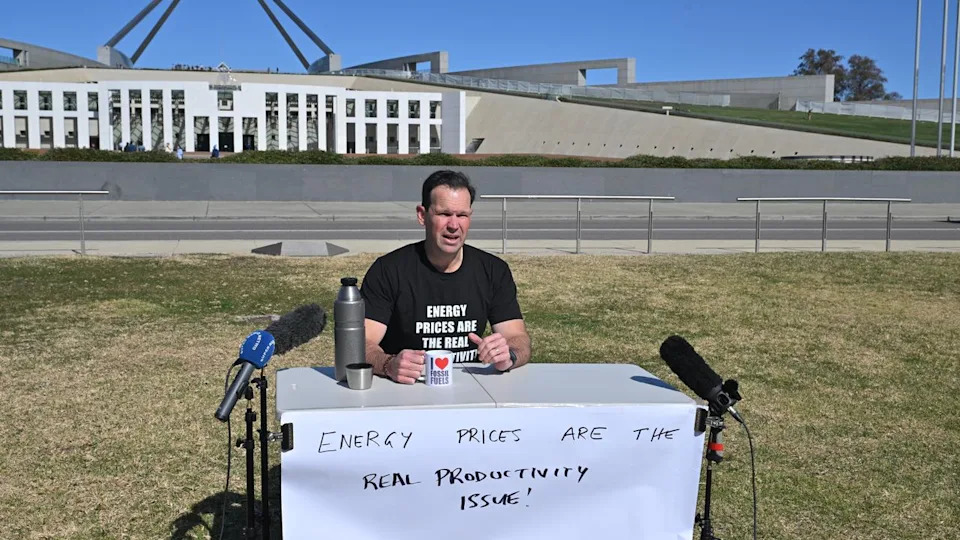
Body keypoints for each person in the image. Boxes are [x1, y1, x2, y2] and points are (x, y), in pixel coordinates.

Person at [360, 170, 532, 385]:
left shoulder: (493, 270)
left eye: (462, 215)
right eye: (444, 214)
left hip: (472, 386)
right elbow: (360, 342)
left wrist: (509, 355)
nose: (453, 225)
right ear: (422, 215)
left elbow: (518, 338)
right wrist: (388, 364)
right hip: (407, 389)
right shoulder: (389, 270)